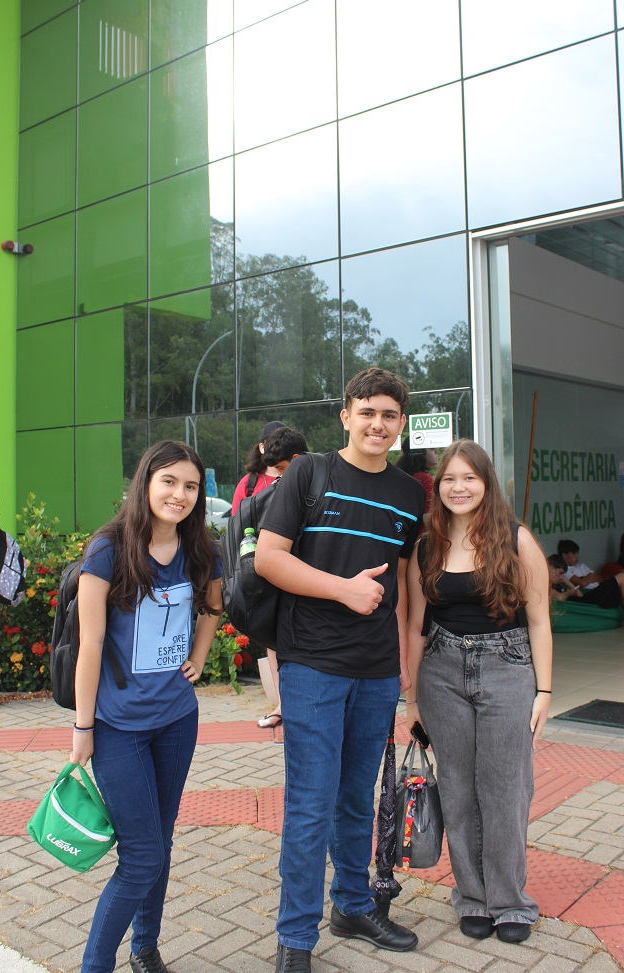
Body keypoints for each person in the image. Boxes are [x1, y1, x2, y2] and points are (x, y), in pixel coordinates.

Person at [255, 367, 425, 973]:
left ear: (400, 424)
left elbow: (407, 583)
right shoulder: (308, 472)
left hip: (377, 670)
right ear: (346, 415)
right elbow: (271, 560)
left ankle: (352, 904)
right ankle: (295, 941)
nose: (378, 424)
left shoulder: (410, 494)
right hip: (313, 665)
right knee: (309, 801)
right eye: (368, 412)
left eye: (389, 415)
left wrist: (406, 665)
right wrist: (343, 591)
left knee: (356, 797)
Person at [71, 440, 223, 973]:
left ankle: (146, 947)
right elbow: (90, 646)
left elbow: (213, 607)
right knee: (141, 858)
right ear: (146, 483)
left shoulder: (202, 549)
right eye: (169, 482)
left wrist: (199, 658)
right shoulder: (108, 551)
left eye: (191, 486)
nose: (179, 495)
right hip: (118, 727)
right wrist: (83, 727)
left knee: (160, 841)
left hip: (177, 720)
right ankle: (96, 965)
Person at [406, 439, 552, 945]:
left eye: (469, 478)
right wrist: (412, 699)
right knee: (460, 790)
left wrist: (545, 690)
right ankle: (471, 896)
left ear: (486, 484)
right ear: (438, 487)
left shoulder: (517, 540)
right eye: (449, 479)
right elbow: (413, 628)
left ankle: (510, 900)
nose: (459, 487)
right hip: (442, 670)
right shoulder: (427, 546)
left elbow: (539, 621)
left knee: (506, 788)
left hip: (509, 667)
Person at [255, 427, 309, 732]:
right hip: (279, 587)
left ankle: (291, 707)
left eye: (281, 470)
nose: (277, 477)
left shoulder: (314, 486)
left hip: (304, 591)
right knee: (275, 644)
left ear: (298, 460)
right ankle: (282, 704)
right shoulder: (271, 488)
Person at [557, 539, 624, 630]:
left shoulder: (581, 566)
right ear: (564, 555)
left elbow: (599, 578)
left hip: (598, 588)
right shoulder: (565, 571)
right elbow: (582, 583)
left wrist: (588, 578)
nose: (576, 557)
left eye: (577, 554)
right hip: (588, 594)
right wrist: (588, 578)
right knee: (622, 577)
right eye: (573, 554)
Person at [230, 421, 288, 515]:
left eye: (283, 443)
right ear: (262, 447)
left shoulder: (298, 479)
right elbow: (236, 521)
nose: (278, 448)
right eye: (272, 443)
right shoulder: (248, 483)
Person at [395, 438, 436, 514]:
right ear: (421, 453)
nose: (436, 452)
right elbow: (429, 514)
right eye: (432, 449)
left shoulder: (401, 474)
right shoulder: (423, 478)